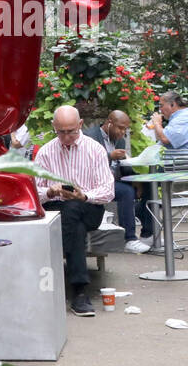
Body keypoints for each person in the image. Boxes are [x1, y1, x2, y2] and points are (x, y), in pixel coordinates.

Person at [34, 105, 115, 317]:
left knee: (73, 208)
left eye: (71, 131)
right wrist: (50, 192)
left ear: (80, 125)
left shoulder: (95, 149)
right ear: (54, 127)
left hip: (89, 207)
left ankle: (61, 282)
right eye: (61, 131)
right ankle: (79, 291)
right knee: (74, 224)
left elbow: (107, 191)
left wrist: (84, 196)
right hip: (58, 208)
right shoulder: (46, 152)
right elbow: (33, 191)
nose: (67, 137)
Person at [86, 110, 153, 252]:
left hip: (115, 180)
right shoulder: (90, 137)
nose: (123, 132)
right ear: (109, 123)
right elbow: (86, 163)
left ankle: (149, 234)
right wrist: (110, 156)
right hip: (95, 182)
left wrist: (137, 181)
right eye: (120, 128)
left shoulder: (119, 140)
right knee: (126, 192)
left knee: (149, 186)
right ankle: (129, 239)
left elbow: (123, 166)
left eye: (125, 129)